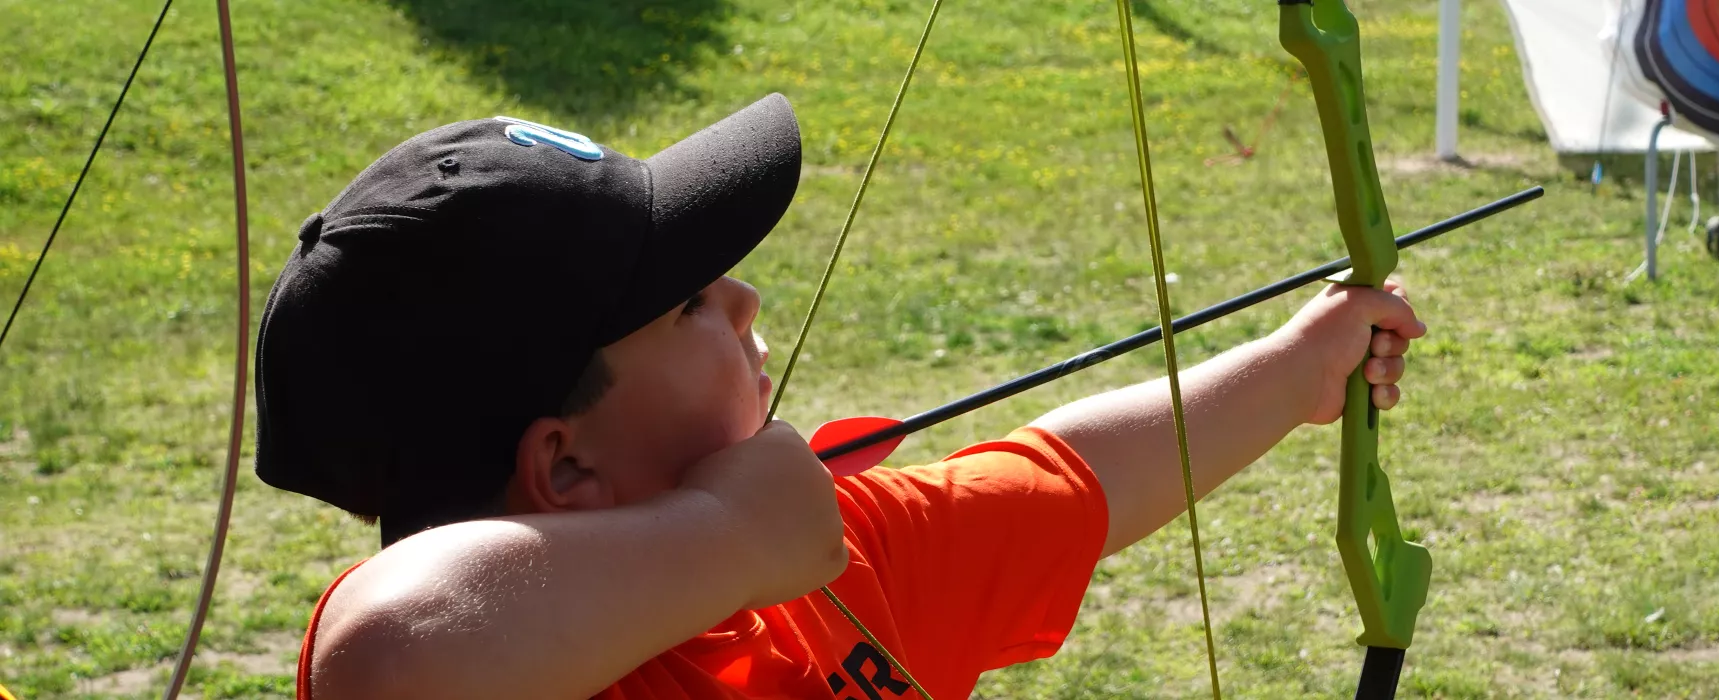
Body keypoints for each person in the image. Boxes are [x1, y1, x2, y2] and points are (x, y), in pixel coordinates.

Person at [256, 94, 1425, 700]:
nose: (747, 297)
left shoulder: (804, 574)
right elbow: (385, 653)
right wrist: (724, 534)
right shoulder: (540, 653)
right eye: (687, 306)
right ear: (563, 466)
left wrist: (1296, 367)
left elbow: (1064, 481)